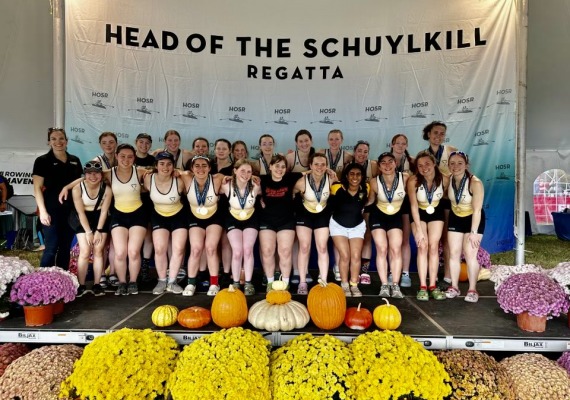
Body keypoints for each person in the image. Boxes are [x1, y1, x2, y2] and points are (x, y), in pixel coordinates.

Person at [33, 128, 83, 268]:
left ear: (66, 141)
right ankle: (42, 283)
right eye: (53, 139)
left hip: (71, 211)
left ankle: (62, 282)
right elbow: (37, 188)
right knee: (51, 247)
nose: (58, 142)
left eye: (61, 138)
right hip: (51, 210)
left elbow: (80, 182)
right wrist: (42, 211)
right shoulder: (42, 161)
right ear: (49, 142)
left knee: (65, 247)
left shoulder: (75, 160)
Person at [181, 155, 227, 296]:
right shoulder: (186, 177)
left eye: (204, 165)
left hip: (214, 217)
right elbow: (165, 170)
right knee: (195, 249)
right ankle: (191, 283)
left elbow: (238, 177)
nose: (200, 169)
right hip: (195, 217)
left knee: (211, 248)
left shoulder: (218, 178)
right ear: (191, 168)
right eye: (197, 166)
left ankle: (214, 283)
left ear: (210, 168)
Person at [143, 151, 188, 295]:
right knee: (160, 249)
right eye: (161, 164)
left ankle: (172, 281)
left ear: (174, 166)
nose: (165, 167)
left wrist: (180, 172)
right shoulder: (148, 178)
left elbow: (191, 177)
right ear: (156, 165)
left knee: (179, 248)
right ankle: (162, 280)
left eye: (169, 164)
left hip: (179, 215)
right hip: (159, 216)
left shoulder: (179, 180)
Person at [107, 144, 149, 295]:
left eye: (130, 156)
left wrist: (177, 174)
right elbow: (86, 179)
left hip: (138, 215)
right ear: (116, 156)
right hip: (119, 215)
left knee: (133, 251)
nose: (126, 159)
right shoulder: (109, 173)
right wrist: (66, 188)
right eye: (122, 156)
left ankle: (132, 281)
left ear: (134, 158)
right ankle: (122, 282)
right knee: (119, 253)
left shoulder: (140, 172)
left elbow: (163, 172)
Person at [407, 151, 450, 301]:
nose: (424, 167)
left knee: (433, 247)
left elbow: (445, 196)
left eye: (427, 164)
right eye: (420, 165)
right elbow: (413, 206)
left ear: (434, 163)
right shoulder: (413, 180)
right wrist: (418, 230)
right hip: (419, 213)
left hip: (435, 212)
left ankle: (433, 285)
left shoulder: (444, 179)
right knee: (422, 246)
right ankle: (422, 286)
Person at [445, 151, 485, 303]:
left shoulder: (475, 183)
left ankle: (472, 289)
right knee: (454, 253)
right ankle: (454, 287)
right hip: (456, 217)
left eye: (460, 163)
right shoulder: (449, 179)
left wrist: (474, 233)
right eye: (452, 163)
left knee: (470, 255)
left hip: (473, 219)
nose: (456, 166)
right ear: (448, 165)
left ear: (466, 165)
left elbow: (477, 210)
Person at [367, 152, 409, 299]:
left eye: (390, 161)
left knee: (396, 249)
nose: (387, 165)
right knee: (381, 248)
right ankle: (384, 285)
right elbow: (371, 201)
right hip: (378, 216)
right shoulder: (374, 181)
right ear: (379, 166)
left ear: (395, 163)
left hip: (395, 217)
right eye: (383, 162)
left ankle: (395, 285)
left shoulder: (405, 178)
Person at [258, 155, 303, 291]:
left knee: (285, 251)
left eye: (283, 166)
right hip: (267, 220)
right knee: (267, 251)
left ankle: (285, 283)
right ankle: (271, 283)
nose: (280, 169)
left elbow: (311, 172)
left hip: (286, 221)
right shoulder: (262, 180)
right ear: (270, 167)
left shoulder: (291, 178)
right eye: (277, 166)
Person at [293, 153, 335, 294]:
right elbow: (290, 194)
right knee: (304, 247)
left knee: (322, 247)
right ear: (310, 166)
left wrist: (336, 177)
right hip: (304, 214)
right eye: (316, 164)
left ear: (326, 166)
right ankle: (303, 282)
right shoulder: (302, 181)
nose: (319, 167)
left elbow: (340, 193)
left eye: (323, 164)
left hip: (322, 214)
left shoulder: (331, 180)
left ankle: (323, 281)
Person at [423, 121, 458, 285]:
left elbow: (460, 172)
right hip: (430, 202)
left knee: (447, 237)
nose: (438, 136)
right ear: (428, 134)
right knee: (433, 240)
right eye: (435, 133)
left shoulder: (452, 151)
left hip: (448, 200)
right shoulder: (422, 154)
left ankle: (449, 274)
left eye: (442, 133)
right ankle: (433, 273)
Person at [220, 159, 261, 295]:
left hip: (251, 218)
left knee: (248, 250)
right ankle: (236, 282)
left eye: (249, 171)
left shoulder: (256, 185)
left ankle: (248, 283)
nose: (246, 174)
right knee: (237, 251)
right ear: (235, 171)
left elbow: (264, 196)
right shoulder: (226, 186)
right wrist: (225, 178)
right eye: (242, 170)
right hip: (233, 218)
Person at [71, 162, 113, 297]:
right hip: (82, 218)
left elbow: (104, 212)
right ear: (85, 175)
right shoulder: (77, 188)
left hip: (99, 217)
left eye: (96, 173)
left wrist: (99, 231)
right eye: (89, 173)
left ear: (101, 175)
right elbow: (80, 212)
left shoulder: (107, 190)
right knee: (84, 250)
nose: (93, 176)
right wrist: (89, 232)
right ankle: (81, 284)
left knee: (98, 250)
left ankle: (97, 284)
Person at [329, 163, 369, 297]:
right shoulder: (336, 187)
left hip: (357, 225)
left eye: (358, 174)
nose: (355, 177)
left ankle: (354, 284)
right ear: (346, 175)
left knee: (356, 256)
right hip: (338, 225)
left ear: (362, 176)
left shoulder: (366, 188)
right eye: (352, 174)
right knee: (345, 255)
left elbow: (370, 200)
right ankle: (345, 284)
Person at [389, 133, 415, 288]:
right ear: (392, 144)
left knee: (405, 239)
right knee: (390, 242)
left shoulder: (411, 162)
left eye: (403, 143)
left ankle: (405, 272)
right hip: (387, 205)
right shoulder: (384, 159)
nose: (400, 146)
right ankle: (392, 271)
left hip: (404, 203)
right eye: (397, 143)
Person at [352, 140, 378, 285]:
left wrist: (369, 201)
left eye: (365, 151)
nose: (362, 154)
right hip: (351, 206)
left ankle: (364, 270)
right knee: (352, 236)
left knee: (366, 234)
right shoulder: (349, 165)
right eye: (359, 151)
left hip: (368, 204)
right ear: (354, 152)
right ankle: (352, 266)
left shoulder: (373, 166)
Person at [134, 133, 156, 284]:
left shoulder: (154, 160)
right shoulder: (128, 158)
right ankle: (131, 269)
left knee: (148, 234)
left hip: (150, 202)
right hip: (131, 202)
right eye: (141, 142)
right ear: (136, 143)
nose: (144, 145)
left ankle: (145, 267)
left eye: (147, 143)